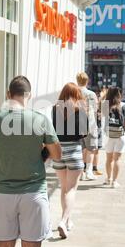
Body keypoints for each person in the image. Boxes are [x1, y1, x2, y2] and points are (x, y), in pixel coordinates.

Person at [0, 76, 62, 247]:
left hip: (4, 193)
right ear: (29, 95)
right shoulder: (40, 119)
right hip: (34, 192)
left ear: (8, 94)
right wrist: (42, 151)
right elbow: (57, 154)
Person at [52, 83, 88, 239]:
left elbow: (52, 128)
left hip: (58, 151)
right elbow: (84, 132)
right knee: (72, 189)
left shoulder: (55, 108)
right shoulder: (80, 109)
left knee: (64, 188)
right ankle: (63, 220)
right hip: (73, 150)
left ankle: (67, 220)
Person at [103, 87, 125, 188]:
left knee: (108, 159)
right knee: (117, 159)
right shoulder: (124, 106)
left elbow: (103, 120)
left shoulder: (106, 105)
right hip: (120, 135)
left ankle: (108, 178)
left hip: (109, 136)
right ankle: (114, 182)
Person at [76, 72, 99, 181]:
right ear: (87, 81)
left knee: (80, 149)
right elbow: (95, 109)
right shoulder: (91, 94)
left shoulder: (74, 93)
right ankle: (89, 171)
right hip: (90, 124)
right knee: (90, 149)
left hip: (76, 125)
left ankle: (80, 173)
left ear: (77, 80)